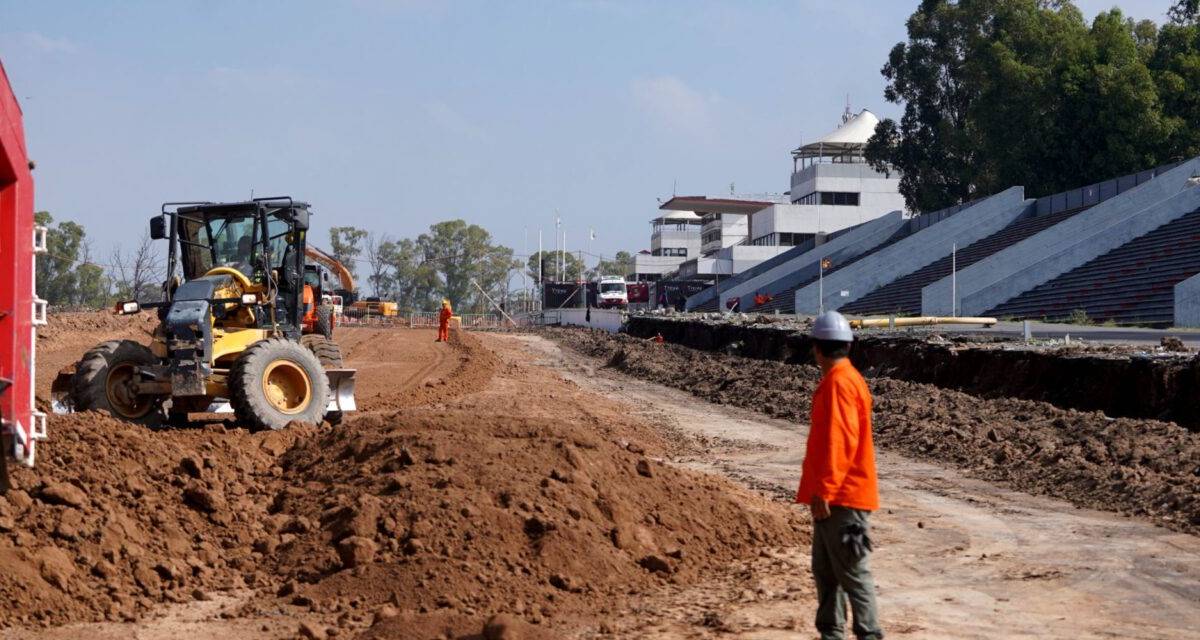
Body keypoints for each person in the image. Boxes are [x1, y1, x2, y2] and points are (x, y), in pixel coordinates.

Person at [796, 311, 883, 640]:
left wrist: (825, 490)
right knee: (826, 572)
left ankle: (869, 633)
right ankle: (831, 633)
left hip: (842, 499)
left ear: (817, 348)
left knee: (852, 573)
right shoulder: (845, 380)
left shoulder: (838, 384)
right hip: (837, 497)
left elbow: (839, 441)